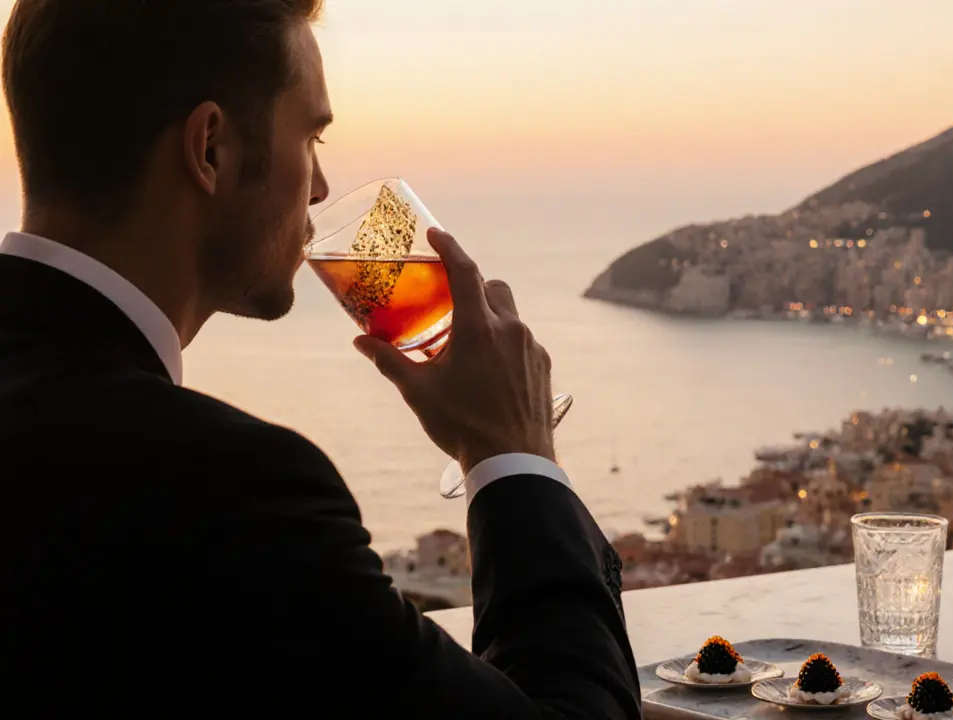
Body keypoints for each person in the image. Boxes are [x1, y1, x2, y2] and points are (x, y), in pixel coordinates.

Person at [0, 1, 641, 717]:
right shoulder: (225, 489)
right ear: (210, 148)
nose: (319, 189)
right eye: (313, 136)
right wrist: (512, 456)